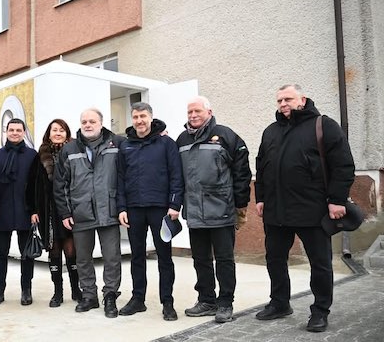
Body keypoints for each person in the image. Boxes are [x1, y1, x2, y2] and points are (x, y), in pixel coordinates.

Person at [255, 84, 355, 332]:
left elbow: (343, 165)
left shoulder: (323, 125)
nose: (283, 104)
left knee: (319, 263)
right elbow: (261, 167)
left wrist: (337, 200)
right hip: (276, 210)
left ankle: (320, 310)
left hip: (312, 209)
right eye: (279, 101)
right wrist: (261, 197)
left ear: (303, 99)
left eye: (288, 99)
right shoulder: (270, 131)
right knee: (275, 259)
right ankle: (279, 303)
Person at [176, 96, 251, 324]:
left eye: (197, 111)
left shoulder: (225, 135)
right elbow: (176, 175)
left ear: (209, 112)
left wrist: (241, 203)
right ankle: (206, 301)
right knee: (200, 259)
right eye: (190, 112)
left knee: (224, 259)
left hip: (222, 209)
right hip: (195, 212)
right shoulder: (181, 139)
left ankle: (225, 303)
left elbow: (241, 170)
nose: (193, 115)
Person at [54, 108, 124, 318]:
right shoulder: (70, 149)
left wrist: (122, 207)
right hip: (80, 212)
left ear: (101, 124)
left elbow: (125, 177)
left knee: (112, 257)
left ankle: (110, 295)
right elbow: (60, 184)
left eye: (92, 121)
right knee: (83, 258)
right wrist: (66, 212)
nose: (87, 125)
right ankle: (89, 296)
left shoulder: (117, 144)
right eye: (84, 121)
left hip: (109, 211)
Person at [117, 102, 183, 321]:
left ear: (151, 118)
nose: (139, 121)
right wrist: (122, 208)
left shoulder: (166, 143)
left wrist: (175, 204)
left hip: (160, 209)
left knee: (164, 257)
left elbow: (176, 175)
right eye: (135, 117)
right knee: (137, 256)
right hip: (134, 209)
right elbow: (120, 179)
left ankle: (168, 302)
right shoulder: (125, 146)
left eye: (143, 116)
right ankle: (138, 299)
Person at [26, 119, 82, 307]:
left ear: (67, 133)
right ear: (48, 133)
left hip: (70, 209)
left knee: (72, 251)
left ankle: (76, 289)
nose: (58, 133)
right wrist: (33, 210)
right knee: (54, 251)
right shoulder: (40, 155)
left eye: (61, 130)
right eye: (54, 130)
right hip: (48, 210)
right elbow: (31, 185)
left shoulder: (76, 151)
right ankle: (58, 292)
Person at [0, 118, 39, 306]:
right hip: (3, 210)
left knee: (27, 253)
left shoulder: (32, 155)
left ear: (24, 132)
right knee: (1, 252)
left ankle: (26, 290)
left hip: (25, 210)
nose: (15, 133)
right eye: (11, 130)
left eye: (18, 130)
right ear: (5, 132)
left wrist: (35, 210)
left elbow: (36, 186)